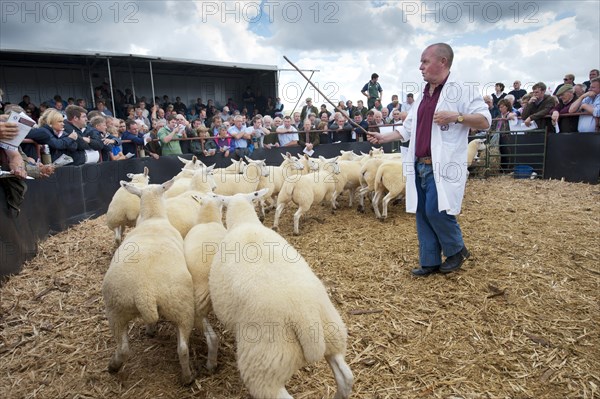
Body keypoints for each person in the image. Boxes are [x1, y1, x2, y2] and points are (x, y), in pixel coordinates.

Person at [367, 43, 491, 276]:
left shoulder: (461, 89)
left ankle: (457, 250)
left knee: (437, 210)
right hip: (419, 163)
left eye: (425, 61)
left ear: (442, 62)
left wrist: (457, 117)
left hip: (442, 164)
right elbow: (407, 129)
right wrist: (383, 137)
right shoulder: (424, 95)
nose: (420, 67)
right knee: (423, 212)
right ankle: (430, 260)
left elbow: (485, 120)